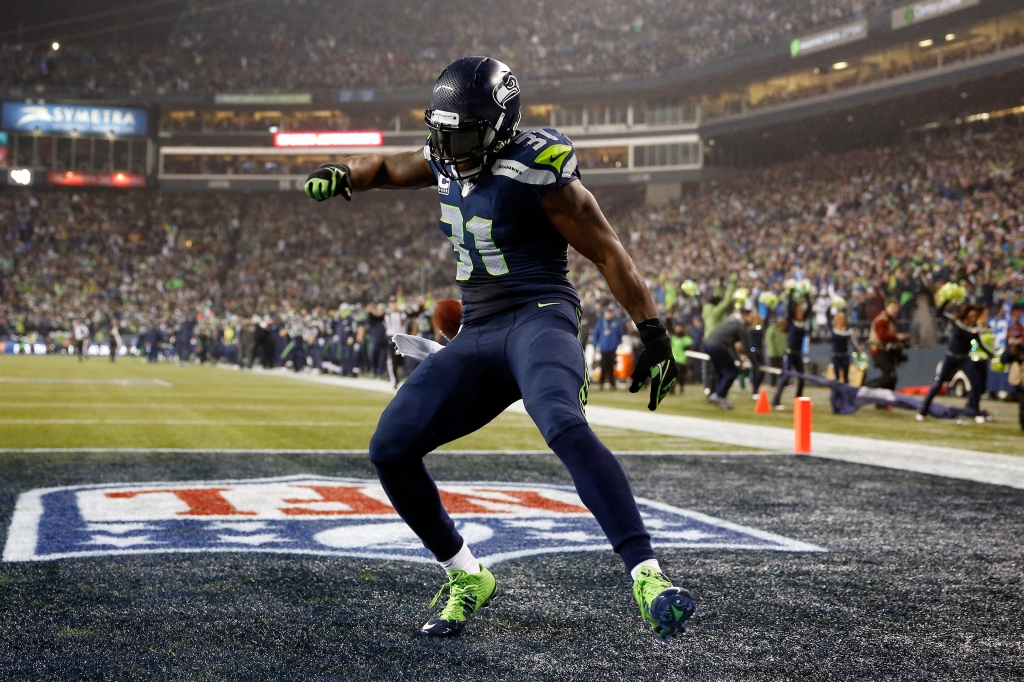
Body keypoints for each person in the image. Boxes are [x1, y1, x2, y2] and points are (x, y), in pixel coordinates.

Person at [304, 56, 692, 642]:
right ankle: (465, 574)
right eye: (445, 132)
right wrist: (345, 171)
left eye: (465, 133)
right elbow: (384, 164)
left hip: (538, 316)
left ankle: (648, 576)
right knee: (390, 448)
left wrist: (655, 334)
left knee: (561, 421)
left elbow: (608, 251)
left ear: (501, 126)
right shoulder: (444, 150)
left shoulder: (535, 167)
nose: (451, 146)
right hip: (479, 330)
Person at [918, 304, 992, 422]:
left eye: (975, 316)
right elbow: (939, 312)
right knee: (938, 384)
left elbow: (981, 345)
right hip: (951, 358)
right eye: (971, 315)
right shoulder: (957, 323)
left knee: (976, 383)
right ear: (966, 314)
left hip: (964, 359)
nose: (972, 318)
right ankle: (923, 410)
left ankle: (977, 413)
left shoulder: (974, 330)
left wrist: (993, 355)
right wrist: (947, 300)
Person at [702, 308, 755, 410]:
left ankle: (715, 394)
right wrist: (754, 362)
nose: (752, 321)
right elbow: (747, 346)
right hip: (717, 346)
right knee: (731, 372)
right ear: (746, 315)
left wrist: (738, 360)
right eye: (751, 318)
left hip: (708, 345)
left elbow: (731, 345)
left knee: (720, 372)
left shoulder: (731, 321)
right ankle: (720, 396)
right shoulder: (740, 325)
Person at [771, 288, 813, 409]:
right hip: (789, 352)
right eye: (798, 311)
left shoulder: (803, 323)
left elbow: (809, 310)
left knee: (801, 377)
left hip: (798, 354)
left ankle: (798, 400)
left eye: (801, 311)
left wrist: (807, 295)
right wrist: (791, 293)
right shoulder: (790, 322)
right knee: (786, 376)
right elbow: (788, 307)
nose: (800, 313)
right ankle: (775, 401)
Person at [867, 300, 908, 391]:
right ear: (886, 307)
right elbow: (882, 336)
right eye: (893, 308)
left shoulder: (891, 320)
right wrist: (897, 337)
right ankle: (867, 386)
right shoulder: (881, 320)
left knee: (891, 377)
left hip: (885, 351)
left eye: (897, 308)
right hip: (878, 350)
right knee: (890, 376)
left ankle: (885, 399)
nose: (895, 310)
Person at [592, 306, 624, 390]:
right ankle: (601, 383)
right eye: (608, 312)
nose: (609, 314)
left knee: (611, 366)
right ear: (605, 313)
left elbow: (620, 335)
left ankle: (612, 383)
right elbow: (596, 335)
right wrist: (595, 345)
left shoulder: (616, 323)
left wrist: (616, 344)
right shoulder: (600, 323)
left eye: (610, 312)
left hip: (612, 348)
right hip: (603, 348)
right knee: (603, 365)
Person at [825, 309, 860, 384]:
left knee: (846, 377)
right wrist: (830, 306)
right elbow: (827, 317)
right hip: (835, 356)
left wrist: (858, 351)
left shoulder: (848, 330)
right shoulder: (833, 329)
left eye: (843, 318)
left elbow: (853, 342)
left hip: (845, 356)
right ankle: (837, 394)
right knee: (837, 377)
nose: (841, 320)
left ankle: (846, 394)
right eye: (840, 318)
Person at [670, 322, 693, 393]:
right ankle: (672, 389)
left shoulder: (686, 338)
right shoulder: (674, 337)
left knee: (680, 376)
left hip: (682, 359)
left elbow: (689, 349)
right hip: (674, 359)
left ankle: (681, 387)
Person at [765, 316, 786, 387]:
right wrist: (773, 350)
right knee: (773, 369)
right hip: (773, 353)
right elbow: (769, 340)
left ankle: (781, 384)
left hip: (781, 353)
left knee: (781, 369)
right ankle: (773, 384)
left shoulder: (784, 330)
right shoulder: (772, 329)